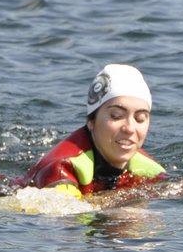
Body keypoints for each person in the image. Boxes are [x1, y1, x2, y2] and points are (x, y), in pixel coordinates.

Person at [22, 63, 166, 200]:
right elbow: (66, 217)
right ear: (91, 121)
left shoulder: (152, 172)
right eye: (116, 116)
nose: (129, 128)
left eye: (140, 118)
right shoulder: (62, 170)